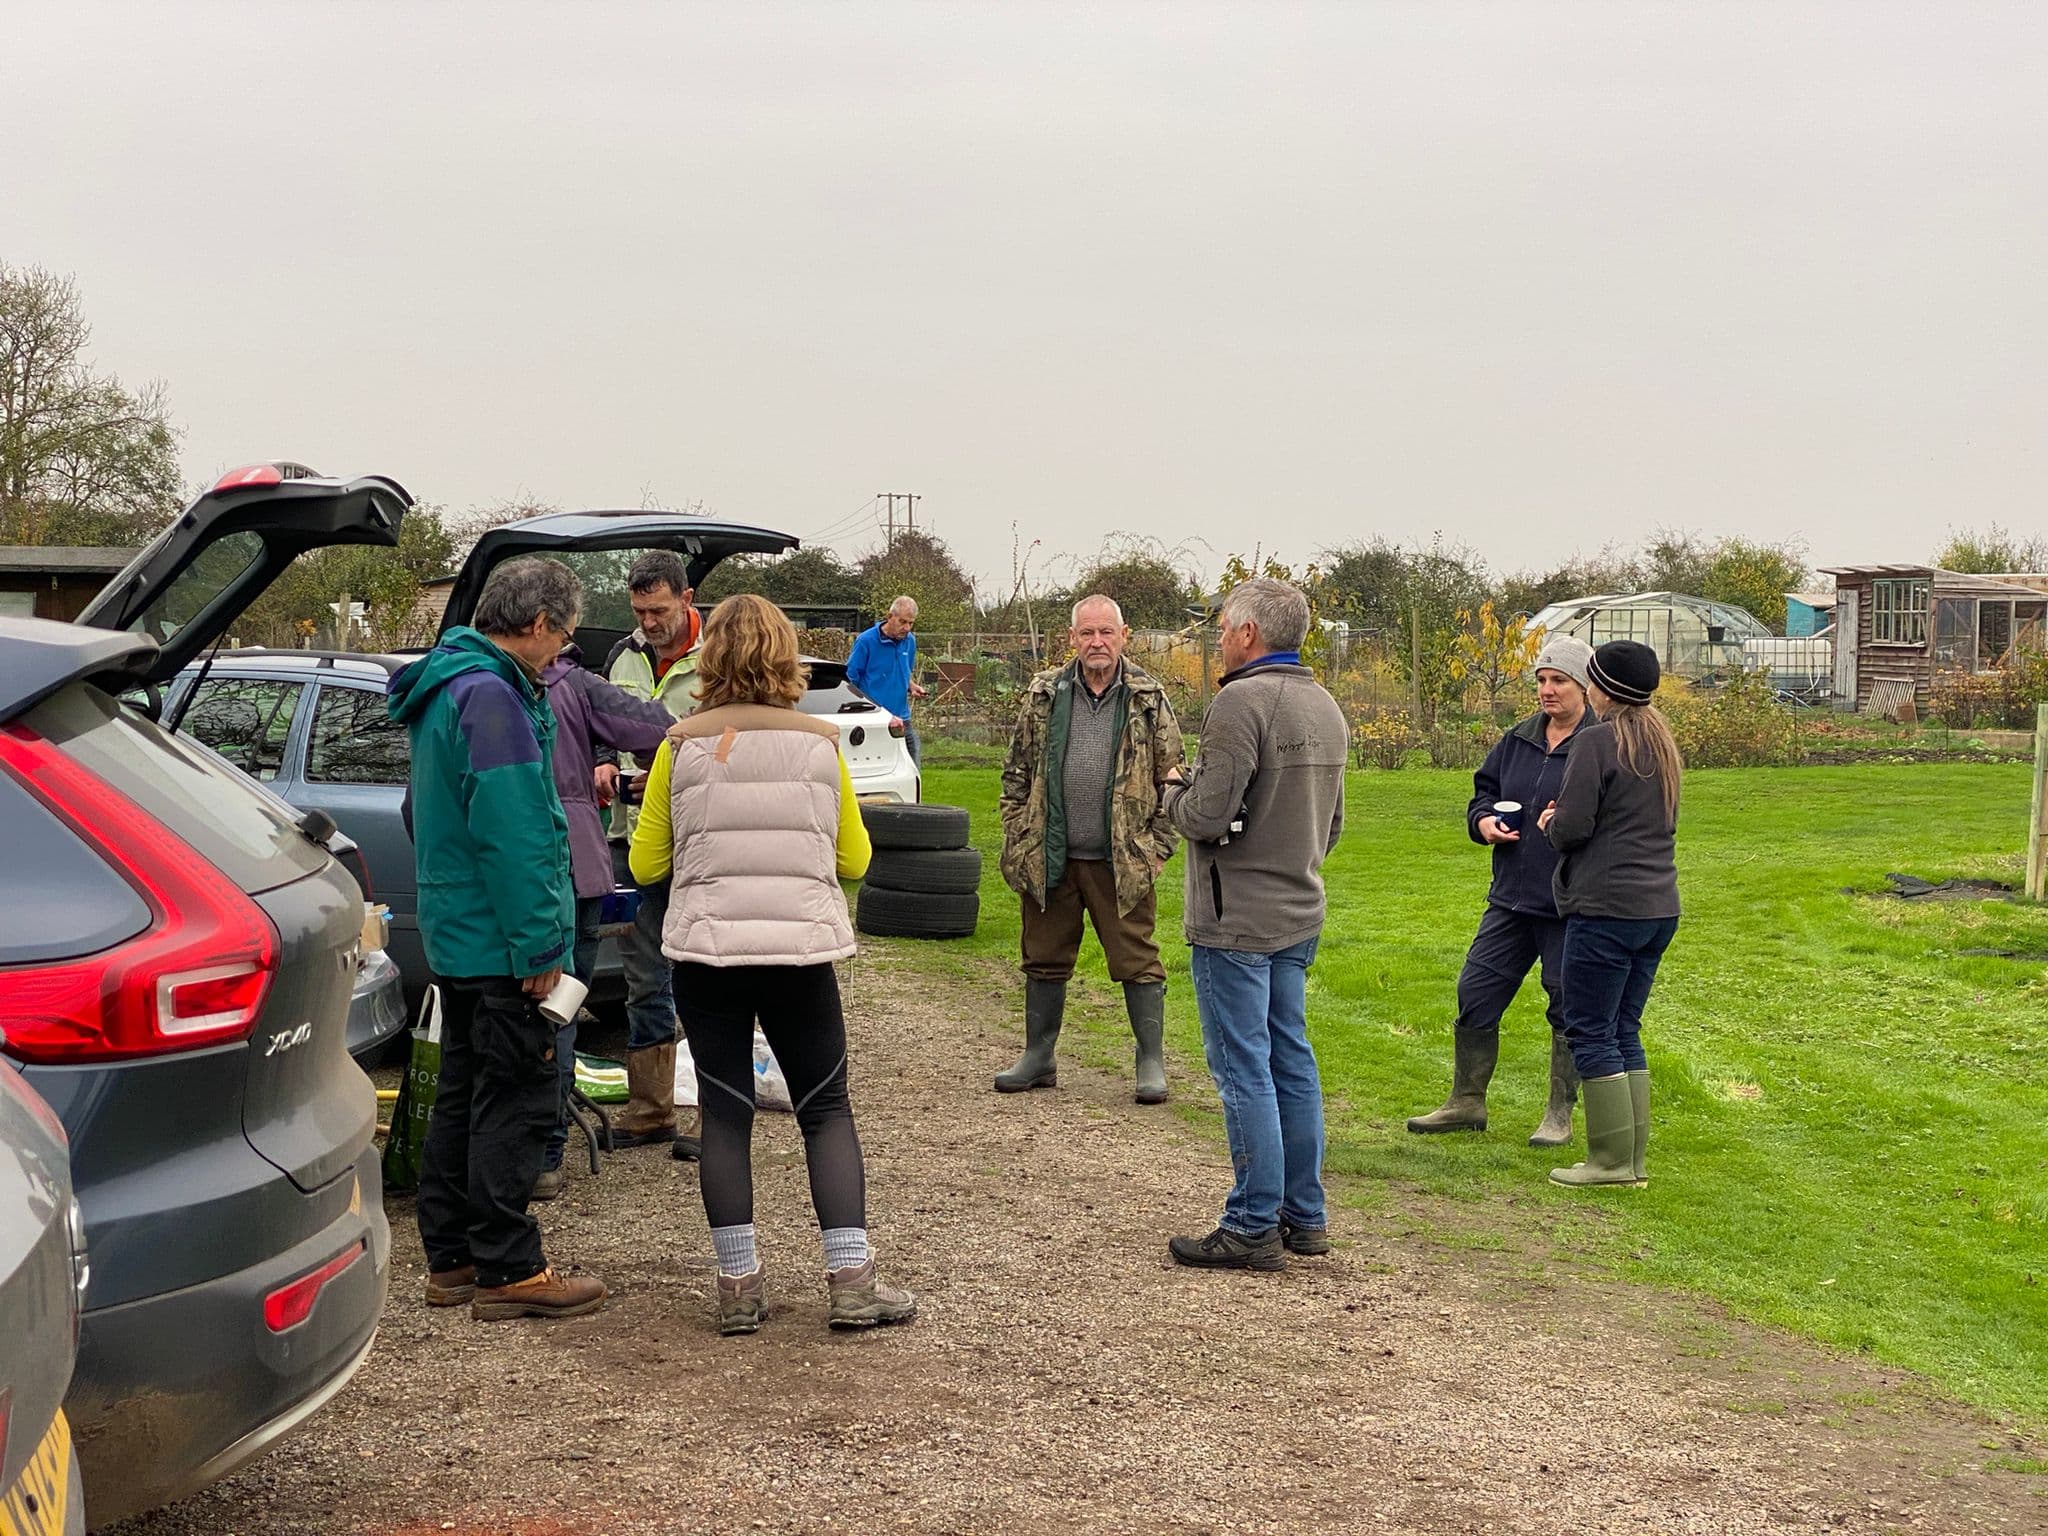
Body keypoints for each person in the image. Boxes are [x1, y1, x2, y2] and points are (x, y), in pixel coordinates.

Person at [629, 593, 915, 1334]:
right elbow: (854, 856)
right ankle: (851, 1281)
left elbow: (645, 859)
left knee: (725, 1115)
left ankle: (737, 1288)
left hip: (708, 955)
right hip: (798, 954)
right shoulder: (820, 745)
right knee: (825, 1110)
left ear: (709, 659)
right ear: (786, 656)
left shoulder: (679, 746)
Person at [386, 556, 606, 1321]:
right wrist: (543, 947)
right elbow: (516, 835)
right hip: (502, 940)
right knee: (517, 1094)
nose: (563, 652)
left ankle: (451, 1259)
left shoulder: (446, 687)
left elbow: (423, 813)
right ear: (539, 624)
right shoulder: (494, 698)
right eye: (564, 636)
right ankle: (509, 1266)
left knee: (462, 1093)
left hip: (458, 933)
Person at [1162, 578, 1347, 1272]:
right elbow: (1333, 823)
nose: (1217, 638)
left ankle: (1251, 1222)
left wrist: (1173, 790)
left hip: (1233, 916)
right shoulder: (1324, 705)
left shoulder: (1238, 703)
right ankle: (1306, 1214)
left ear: (1248, 634)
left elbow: (1208, 816)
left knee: (1245, 1072)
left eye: (1222, 628)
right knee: (1290, 1062)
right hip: (1299, 908)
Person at [994, 595, 1185, 1103]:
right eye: (1087, 634)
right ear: (1072, 638)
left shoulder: (1148, 696)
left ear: (1124, 635)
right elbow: (1016, 773)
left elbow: (1174, 779)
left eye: (1106, 633)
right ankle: (1039, 1057)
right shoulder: (1044, 694)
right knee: (1043, 957)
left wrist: (1157, 850)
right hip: (1050, 857)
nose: (1096, 643)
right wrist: (1018, 834)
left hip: (1121, 861)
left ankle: (1149, 1062)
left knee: (1137, 960)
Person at [1407, 635, 1597, 1146]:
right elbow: (1483, 792)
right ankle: (1466, 1102)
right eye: (1540, 680)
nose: (1547, 690)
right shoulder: (1518, 739)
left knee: (1566, 1006)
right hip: (1510, 900)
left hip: (1567, 904)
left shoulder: (1599, 744)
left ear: (1583, 685)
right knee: (1476, 992)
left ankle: (1559, 1114)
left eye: (1558, 680)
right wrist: (1484, 821)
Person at [531, 642, 684, 1199]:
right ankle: (547, 1153)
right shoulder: (574, 683)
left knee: (505, 1015)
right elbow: (661, 726)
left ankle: (521, 1152)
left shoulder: (462, 686)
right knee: (561, 1007)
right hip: (574, 865)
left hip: (500, 868)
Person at [1537, 639, 1682, 1189]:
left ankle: (1610, 1162)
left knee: (1591, 1028)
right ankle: (1631, 1159)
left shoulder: (1596, 743)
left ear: (1602, 689)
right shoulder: (1660, 742)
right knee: (1625, 1026)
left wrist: (1550, 822)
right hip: (1657, 908)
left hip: (1605, 909)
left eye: (1589, 680)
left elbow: (1572, 829)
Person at [602, 550, 704, 1150]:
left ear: (687, 600)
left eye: (659, 610)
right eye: (640, 610)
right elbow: (596, 729)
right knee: (643, 974)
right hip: (630, 834)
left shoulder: (720, 658)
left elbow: (730, 746)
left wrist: (665, 777)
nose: (649, 621)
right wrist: (603, 766)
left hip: (695, 840)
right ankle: (650, 1111)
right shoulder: (622, 655)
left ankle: (711, 1116)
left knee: (703, 973)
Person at [845, 595, 927, 766]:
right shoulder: (866, 641)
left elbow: (903, 671)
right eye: (902, 621)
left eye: (911, 623)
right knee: (875, 768)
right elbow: (850, 679)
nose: (907, 628)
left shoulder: (910, 641)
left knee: (913, 768)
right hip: (873, 718)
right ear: (889, 617)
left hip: (902, 718)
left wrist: (911, 686)